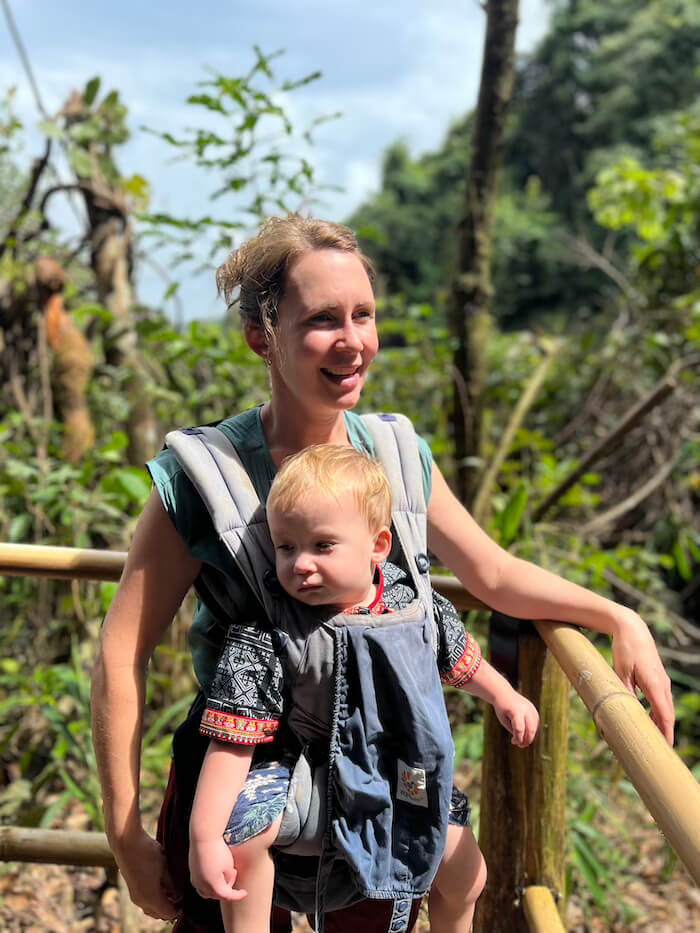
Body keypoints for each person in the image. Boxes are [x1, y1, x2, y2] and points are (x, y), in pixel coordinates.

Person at [91, 214, 674, 933]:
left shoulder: (395, 456)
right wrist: (125, 835)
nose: (353, 341)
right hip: (239, 776)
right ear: (261, 337)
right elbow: (122, 650)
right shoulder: (205, 475)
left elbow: (491, 572)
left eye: (363, 315)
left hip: (380, 770)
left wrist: (617, 617)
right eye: (322, 320)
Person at [187, 444, 540, 933]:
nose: (301, 564)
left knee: (467, 872)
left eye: (322, 546)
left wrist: (504, 696)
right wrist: (204, 837)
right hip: (307, 769)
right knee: (243, 832)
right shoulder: (268, 630)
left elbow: (460, 660)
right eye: (286, 547)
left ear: (378, 545)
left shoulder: (414, 607)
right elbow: (232, 742)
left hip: (399, 766)